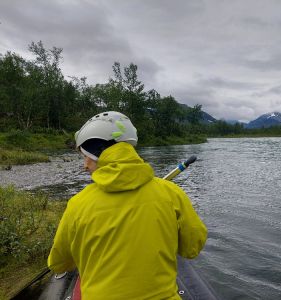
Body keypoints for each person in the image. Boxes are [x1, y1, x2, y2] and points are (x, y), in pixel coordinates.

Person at [48, 111, 208, 299]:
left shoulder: (77, 204)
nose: (85, 166)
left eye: (85, 157)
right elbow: (192, 249)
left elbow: (58, 264)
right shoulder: (172, 193)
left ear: (96, 154)